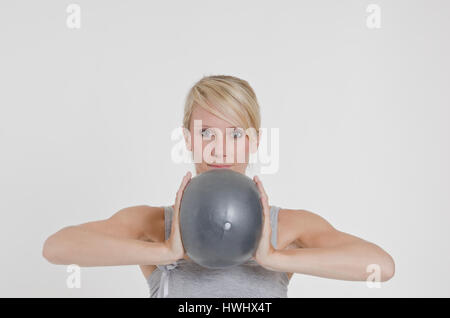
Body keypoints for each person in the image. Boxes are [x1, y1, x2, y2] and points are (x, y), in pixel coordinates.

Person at [42, 75, 395, 297]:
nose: (220, 148)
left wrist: (274, 257)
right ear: (188, 140)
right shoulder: (154, 226)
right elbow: (58, 248)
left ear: (254, 141)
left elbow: (381, 266)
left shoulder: (285, 227)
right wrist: (166, 251)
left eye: (236, 134)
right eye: (206, 132)